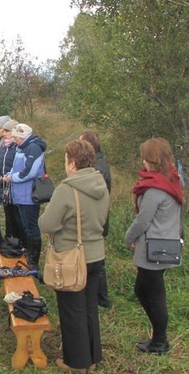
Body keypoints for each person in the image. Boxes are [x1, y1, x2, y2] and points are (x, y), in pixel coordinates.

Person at [38, 139, 110, 373]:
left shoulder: (67, 189)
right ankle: (92, 357)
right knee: (89, 307)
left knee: (71, 310)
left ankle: (77, 363)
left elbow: (47, 224)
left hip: (71, 258)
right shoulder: (101, 184)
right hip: (96, 255)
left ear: (72, 162)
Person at [124, 138, 184, 356]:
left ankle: (160, 341)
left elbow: (142, 220)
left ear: (152, 160)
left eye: (146, 158)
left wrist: (128, 237)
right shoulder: (171, 181)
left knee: (154, 294)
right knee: (142, 290)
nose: (143, 162)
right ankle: (158, 337)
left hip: (154, 248)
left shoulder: (155, 189)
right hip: (163, 243)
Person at [1, 123, 47, 269]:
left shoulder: (33, 147)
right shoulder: (21, 147)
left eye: (16, 137)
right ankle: (27, 252)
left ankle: (33, 261)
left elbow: (30, 171)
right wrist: (9, 174)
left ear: (23, 136)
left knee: (31, 228)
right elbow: (16, 167)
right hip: (19, 195)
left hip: (29, 197)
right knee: (24, 227)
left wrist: (12, 178)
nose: (14, 140)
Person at [80, 129, 113, 309]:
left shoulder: (98, 167)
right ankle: (97, 296)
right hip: (98, 217)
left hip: (97, 219)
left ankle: (101, 299)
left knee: (97, 261)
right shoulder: (97, 162)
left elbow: (97, 195)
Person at [0, 119, 24, 244]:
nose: (5, 133)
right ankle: (9, 240)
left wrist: (9, 176)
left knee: (18, 216)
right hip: (4, 185)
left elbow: (18, 167)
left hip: (15, 185)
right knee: (8, 215)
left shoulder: (18, 148)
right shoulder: (3, 147)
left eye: (7, 131)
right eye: (5, 130)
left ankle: (20, 241)